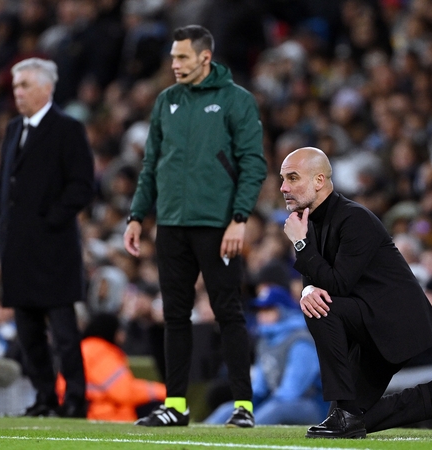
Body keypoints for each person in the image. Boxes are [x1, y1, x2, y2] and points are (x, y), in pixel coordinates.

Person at [123, 25, 267, 428]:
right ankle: (176, 405)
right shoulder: (166, 101)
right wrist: (137, 215)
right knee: (174, 315)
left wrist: (239, 219)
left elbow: (254, 164)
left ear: (205, 58)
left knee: (228, 313)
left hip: (217, 225)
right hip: (170, 224)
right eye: (173, 57)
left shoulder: (237, 101)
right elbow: (151, 164)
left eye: (182, 57)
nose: (174, 65)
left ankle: (244, 406)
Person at [279, 147, 432, 439]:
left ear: (318, 181)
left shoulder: (354, 218)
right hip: (367, 323)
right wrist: (307, 290)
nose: (283, 187)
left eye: (292, 178)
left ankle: (345, 411)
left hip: (393, 324)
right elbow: (314, 281)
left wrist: (301, 247)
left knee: (321, 309)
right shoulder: (308, 224)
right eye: (283, 179)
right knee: (349, 422)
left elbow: (337, 285)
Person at [0, 57, 95, 418]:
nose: (16, 92)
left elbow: (83, 185)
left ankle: (75, 400)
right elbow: (5, 186)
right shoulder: (12, 130)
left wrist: (49, 220)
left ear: (46, 88)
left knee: (65, 334)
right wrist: (1, 224)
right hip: (18, 250)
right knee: (28, 333)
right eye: (15, 86)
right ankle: (43, 397)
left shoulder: (68, 128)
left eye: (23, 85)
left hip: (53, 250)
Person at [204, 286, 326, 425]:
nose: (261, 315)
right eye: (260, 310)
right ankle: (198, 437)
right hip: (278, 401)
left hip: (314, 405)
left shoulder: (301, 341)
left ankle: (244, 438)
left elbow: (292, 391)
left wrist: (257, 410)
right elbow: (259, 388)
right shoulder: (264, 340)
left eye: (268, 309)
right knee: (232, 408)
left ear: (283, 310)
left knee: (275, 409)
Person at [56, 313, 166, 422]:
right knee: (159, 408)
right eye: (120, 331)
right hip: (100, 413)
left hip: (82, 409)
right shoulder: (100, 352)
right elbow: (124, 392)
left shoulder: (85, 348)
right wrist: (165, 392)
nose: (123, 336)